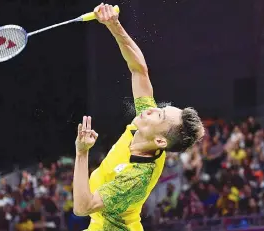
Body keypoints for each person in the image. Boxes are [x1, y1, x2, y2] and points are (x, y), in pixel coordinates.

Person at [72, 3, 204, 231]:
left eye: (159, 114)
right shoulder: (145, 126)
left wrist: (82, 152)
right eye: (160, 107)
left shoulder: (138, 176)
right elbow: (139, 70)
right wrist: (114, 25)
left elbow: (82, 207)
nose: (151, 109)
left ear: (161, 141)